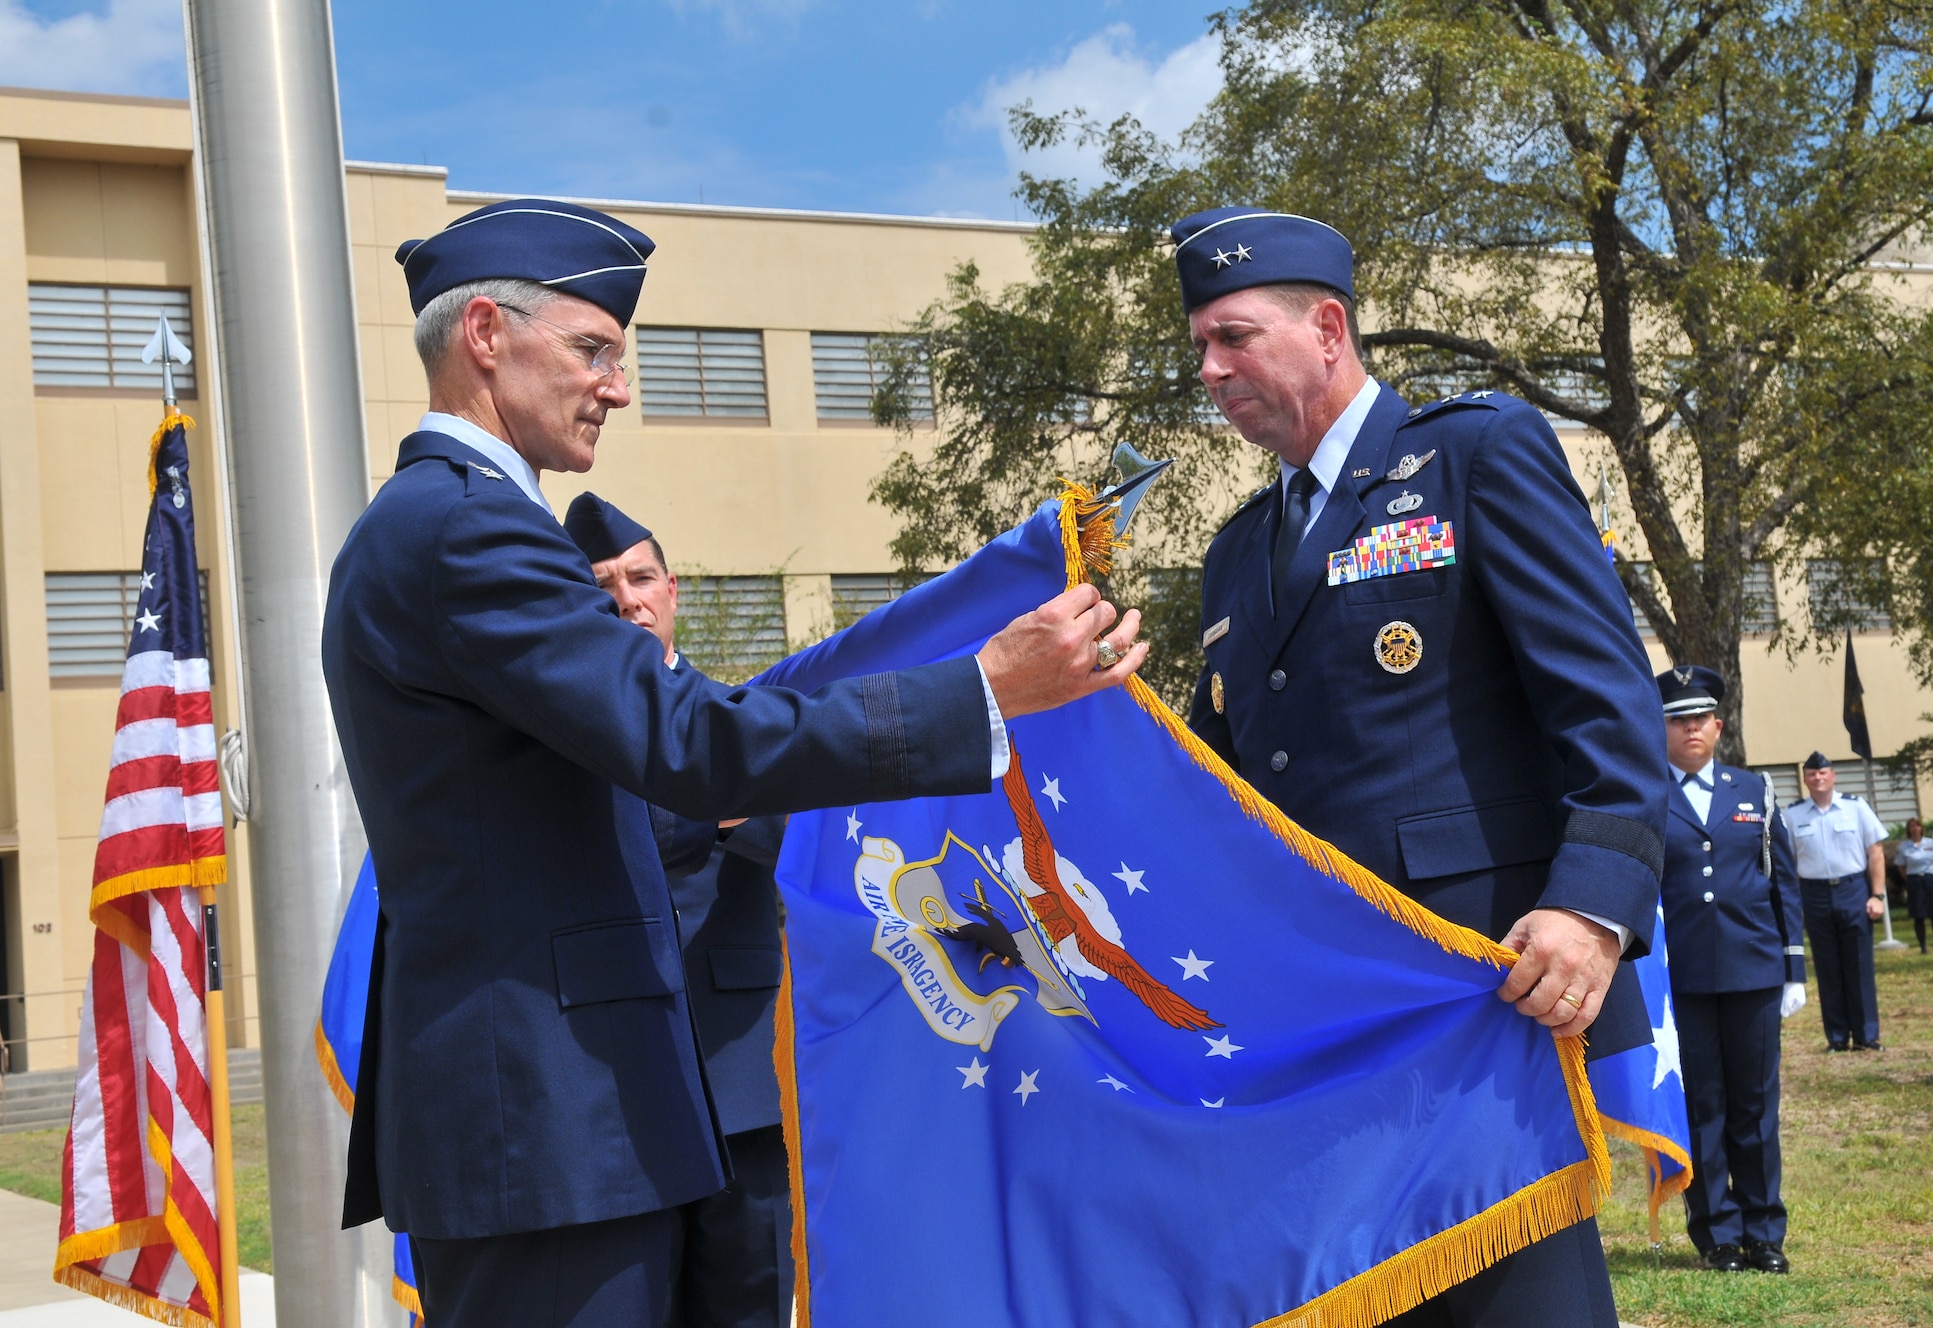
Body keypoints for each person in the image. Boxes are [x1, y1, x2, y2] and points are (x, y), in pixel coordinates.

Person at [320, 198, 1148, 1328]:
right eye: (592, 348)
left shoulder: (444, 525)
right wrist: (980, 688)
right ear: (483, 334)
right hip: (551, 1120)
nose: (615, 384)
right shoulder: (468, 531)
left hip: (576, 1116)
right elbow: (690, 746)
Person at [1175, 205, 1668, 1328]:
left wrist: (1588, 909)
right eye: (1198, 344)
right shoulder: (1236, 549)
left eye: (1232, 335)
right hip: (1321, 1011)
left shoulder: (1472, 453)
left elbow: (1606, 705)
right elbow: (1228, 789)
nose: (1207, 369)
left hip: (1483, 988)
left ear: (1328, 326)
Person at [565, 492, 795, 1328]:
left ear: (673, 592)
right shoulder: (555, 740)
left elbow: (782, 832)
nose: (628, 599)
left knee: (748, 1302)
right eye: (603, 587)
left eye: (642, 577)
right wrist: (707, 806)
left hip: (737, 1074)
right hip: (608, 1085)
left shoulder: (740, 715)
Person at [1655, 666, 1806, 1275]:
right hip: (1684, 979)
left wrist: (1793, 970)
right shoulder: (1645, 797)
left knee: (1755, 1106)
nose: (1691, 728)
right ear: (1661, 728)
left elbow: (1784, 887)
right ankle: (1717, 1234)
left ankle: (1765, 1232)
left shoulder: (1757, 792)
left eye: (1700, 718)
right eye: (1678, 720)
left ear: (1719, 725)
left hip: (1753, 972)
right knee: (1704, 1108)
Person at [1780, 752, 1889, 1051]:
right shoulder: (1793, 814)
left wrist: (1877, 895)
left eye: (1823, 772)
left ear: (1833, 776)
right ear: (1804, 779)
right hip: (1813, 894)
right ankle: (1837, 1037)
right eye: (1812, 774)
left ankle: (1867, 1036)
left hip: (1853, 888)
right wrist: (1794, 903)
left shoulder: (1855, 807)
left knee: (1859, 964)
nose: (1818, 778)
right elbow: (1786, 863)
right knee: (1827, 967)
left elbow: (1876, 852)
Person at [1895, 817, 1933, 954]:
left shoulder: (1930, 843)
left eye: (1917, 826)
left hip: (1930, 879)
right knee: (1919, 915)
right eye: (1912, 826)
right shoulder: (1904, 846)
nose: (1915, 829)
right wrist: (1909, 878)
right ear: (1908, 829)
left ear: (1921, 828)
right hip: (1914, 880)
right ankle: (1923, 947)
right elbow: (1900, 865)